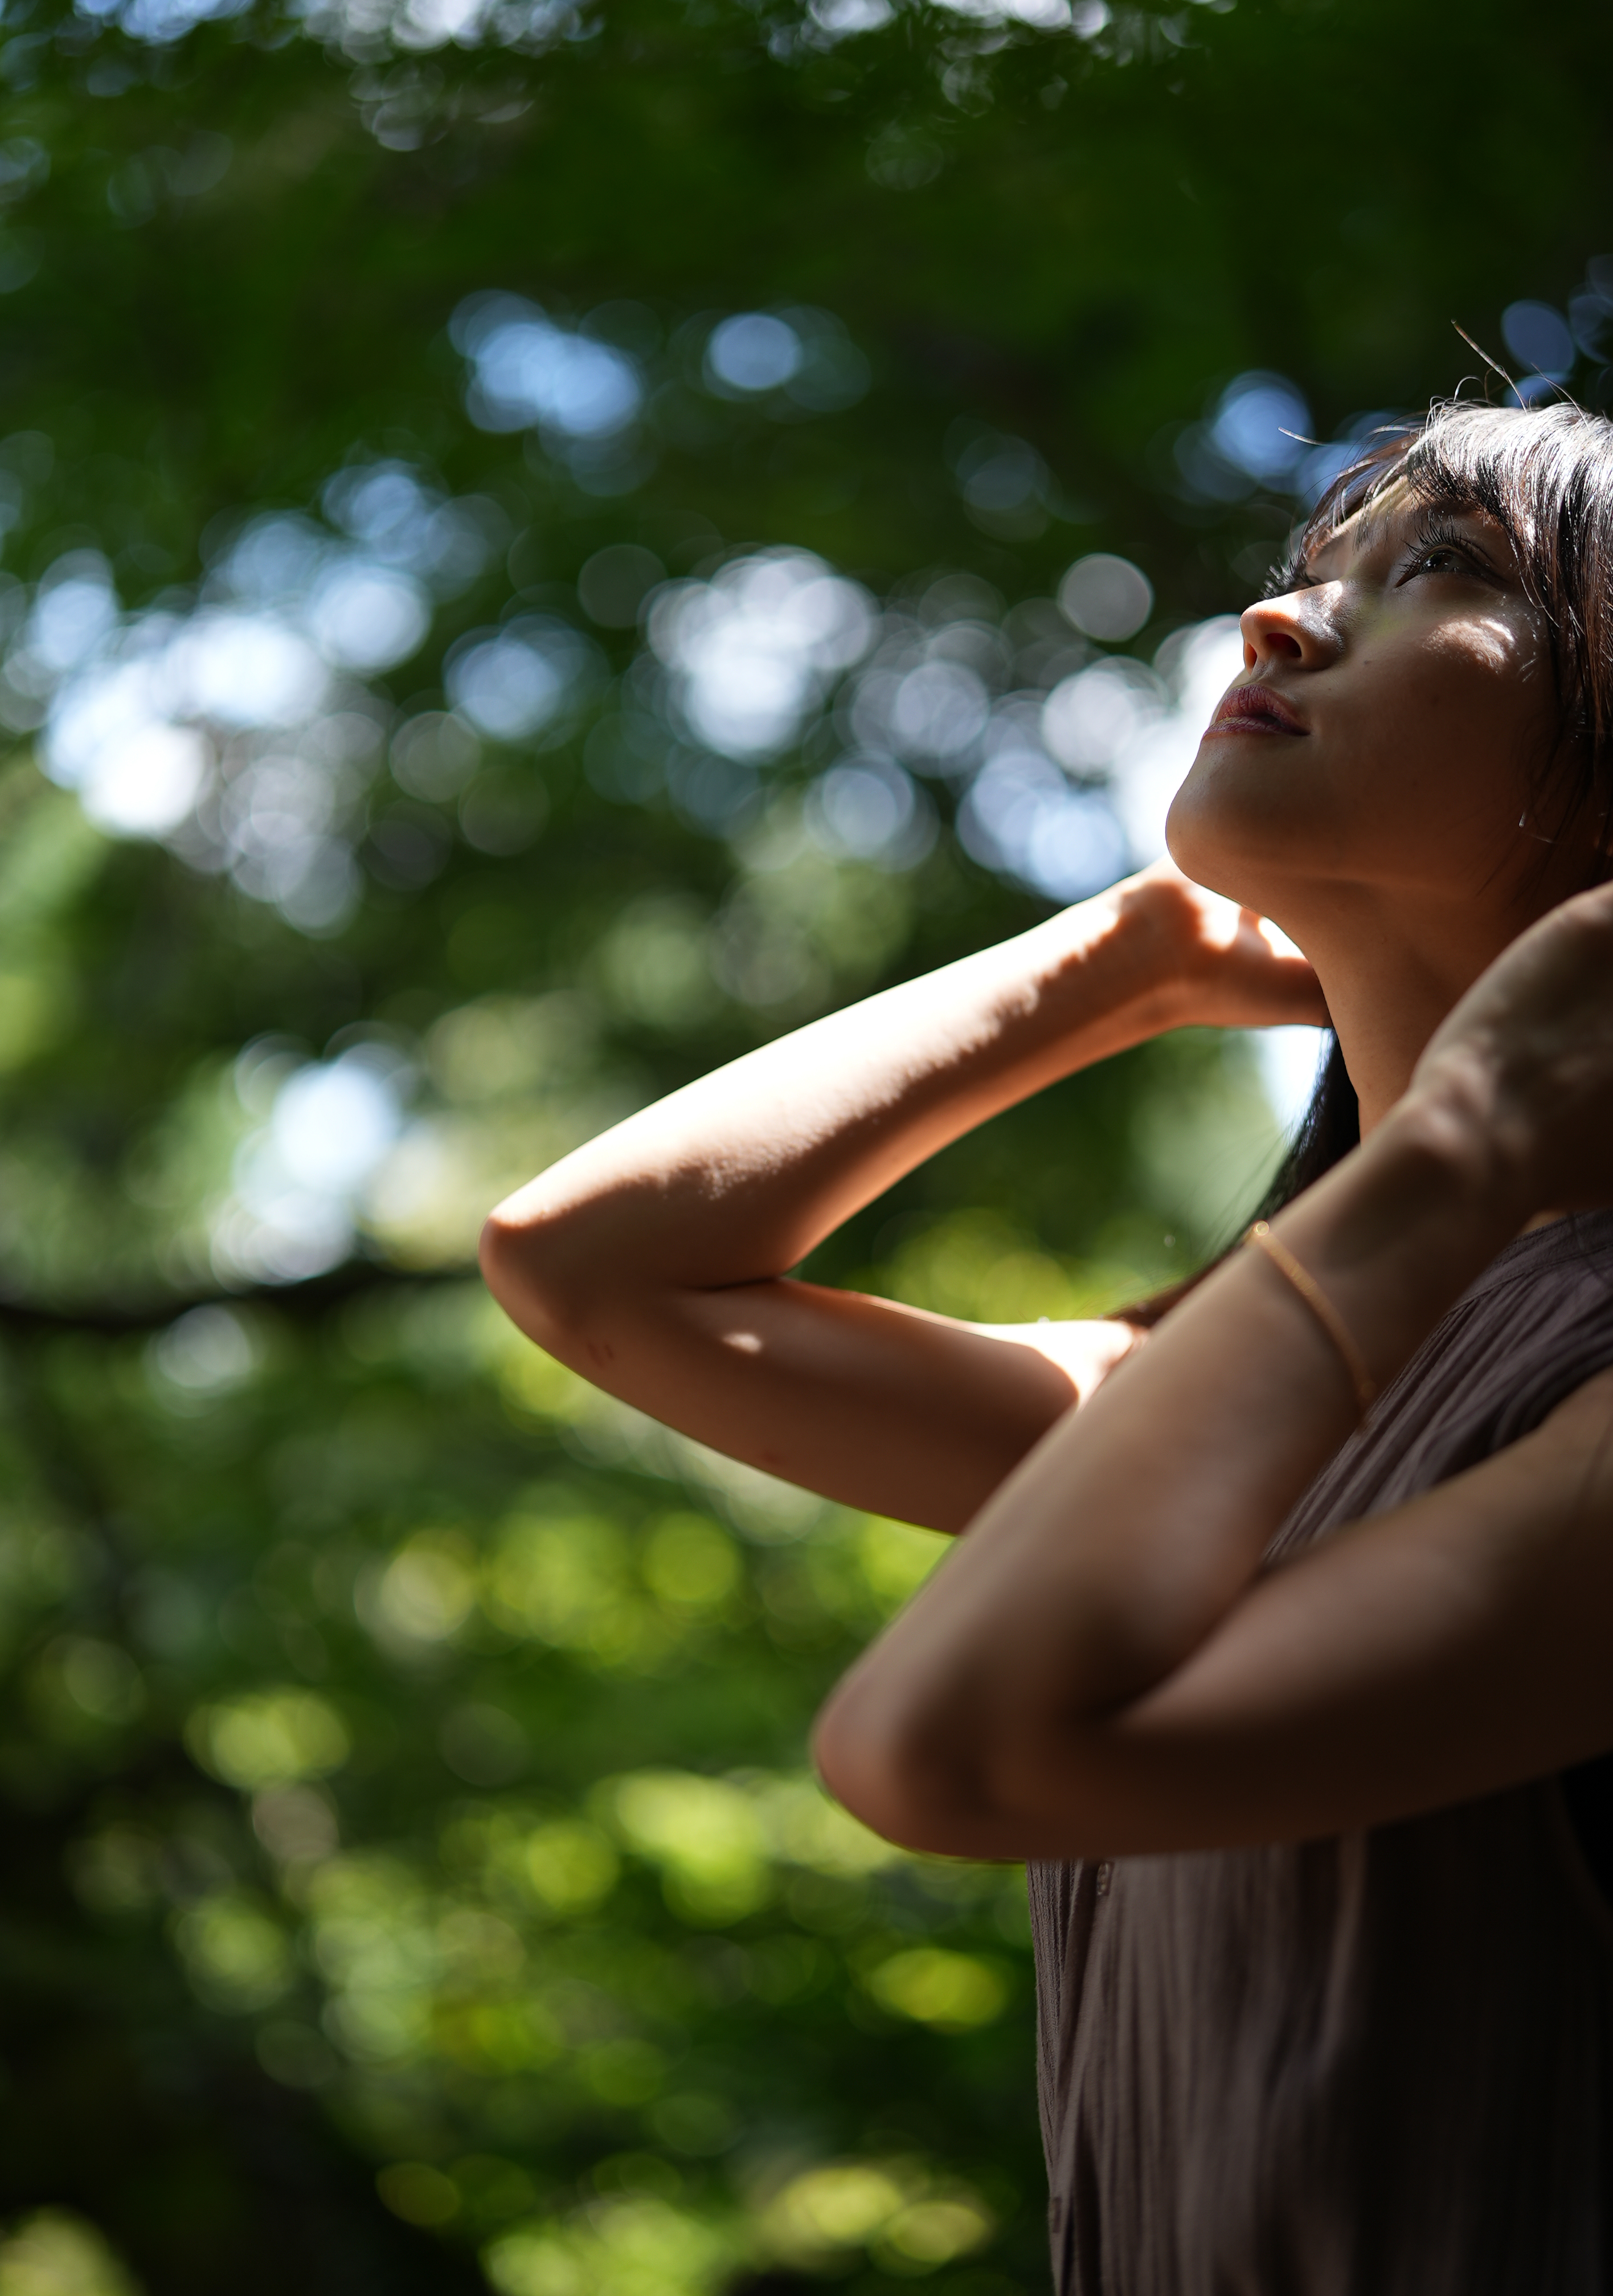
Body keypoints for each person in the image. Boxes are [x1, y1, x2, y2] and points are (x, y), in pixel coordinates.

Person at [480, 398, 1613, 2294]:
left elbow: (956, 1751)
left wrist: (1473, 1146)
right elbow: (589, 1270)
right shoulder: (1228, 1391)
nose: (1278, 617)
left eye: (1446, 570)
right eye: (1317, 562)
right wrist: (1127, 958)